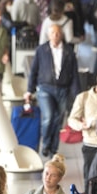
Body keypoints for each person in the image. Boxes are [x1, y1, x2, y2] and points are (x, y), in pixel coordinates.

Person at [24, 23, 80, 157]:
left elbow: (74, 74)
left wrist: (78, 95)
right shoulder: (41, 50)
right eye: (52, 33)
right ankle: (46, 144)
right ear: (48, 35)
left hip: (63, 88)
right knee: (48, 117)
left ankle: (53, 148)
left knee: (58, 119)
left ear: (61, 34)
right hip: (45, 88)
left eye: (57, 33)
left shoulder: (69, 51)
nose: (55, 35)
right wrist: (29, 90)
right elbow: (34, 71)